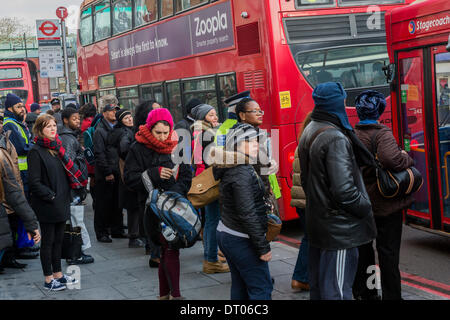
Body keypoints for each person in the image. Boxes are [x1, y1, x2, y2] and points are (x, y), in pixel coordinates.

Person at [298, 82, 376, 300]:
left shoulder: (311, 129)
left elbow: (306, 181)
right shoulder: (335, 137)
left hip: (321, 223)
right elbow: (344, 191)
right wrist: (365, 207)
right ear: (337, 102)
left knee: (321, 288)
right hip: (341, 230)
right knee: (338, 291)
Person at [353, 90, 415, 300]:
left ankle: (367, 293)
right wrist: (406, 157)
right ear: (379, 110)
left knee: (365, 252)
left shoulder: (353, 133)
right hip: (384, 204)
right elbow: (392, 160)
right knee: (388, 253)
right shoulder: (381, 133)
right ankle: (392, 296)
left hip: (362, 203)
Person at [124, 108, 192, 300]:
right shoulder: (137, 148)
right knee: (168, 250)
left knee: (168, 250)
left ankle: (165, 295)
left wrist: (176, 192)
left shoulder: (178, 145)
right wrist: (154, 173)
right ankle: (176, 296)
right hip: (150, 208)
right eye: (158, 133)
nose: (162, 137)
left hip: (174, 207)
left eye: (166, 132)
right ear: (149, 129)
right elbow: (129, 178)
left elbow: (187, 176)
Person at [211, 123, 273, 300]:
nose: (255, 144)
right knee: (261, 288)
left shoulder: (235, 166)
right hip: (240, 237)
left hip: (229, 232)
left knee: (240, 286)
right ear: (236, 145)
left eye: (256, 140)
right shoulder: (241, 171)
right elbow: (247, 213)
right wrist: (262, 247)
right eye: (249, 141)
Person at [28, 114, 87, 291]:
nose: (53, 129)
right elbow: (34, 182)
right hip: (47, 204)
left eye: (54, 125)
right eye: (48, 126)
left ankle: (58, 275)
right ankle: (48, 279)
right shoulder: (35, 151)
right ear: (40, 130)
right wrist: (50, 195)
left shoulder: (57, 148)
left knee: (59, 241)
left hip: (62, 202)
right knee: (48, 242)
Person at [191, 103, 229, 274]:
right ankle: (212, 259)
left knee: (210, 221)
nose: (215, 117)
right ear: (203, 117)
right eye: (211, 115)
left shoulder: (200, 131)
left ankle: (210, 257)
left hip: (205, 181)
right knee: (214, 220)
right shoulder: (208, 134)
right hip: (212, 181)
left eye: (215, 114)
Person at [0, 132, 41, 274]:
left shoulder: (6, 142)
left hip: (9, 196)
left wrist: (31, 223)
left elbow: (12, 186)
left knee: (10, 230)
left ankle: (8, 259)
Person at [58, 108, 94, 265]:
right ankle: (75, 254)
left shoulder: (70, 137)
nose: (78, 121)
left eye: (78, 119)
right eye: (74, 119)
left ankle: (76, 252)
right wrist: (78, 187)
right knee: (75, 221)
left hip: (73, 188)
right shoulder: (68, 139)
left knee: (75, 221)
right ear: (65, 120)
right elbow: (69, 165)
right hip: (73, 189)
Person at [106, 109, 143, 248]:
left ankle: (135, 235)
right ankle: (134, 236)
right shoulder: (125, 133)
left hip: (123, 171)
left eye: (130, 117)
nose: (130, 119)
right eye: (126, 118)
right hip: (128, 170)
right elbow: (124, 149)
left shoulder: (123, 131)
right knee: (134, 205)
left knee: (132, 205)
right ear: (121, 120)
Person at [93, 103, 125, 242]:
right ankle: (102, 232)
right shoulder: (100, 130)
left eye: (116, 110)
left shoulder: (118, 128)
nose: (114, 113)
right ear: (104, 113)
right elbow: (99, 153)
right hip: (106, 173)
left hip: (118, 171)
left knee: (117, 203)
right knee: (103, 205)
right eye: (111, 111)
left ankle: (117, 230)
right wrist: (107, 172)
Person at [290, 112, 312, 292]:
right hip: (307, 201)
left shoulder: (302, 143)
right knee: (310, 239)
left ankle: (302, 277)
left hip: (300, 200)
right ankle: (301, 277)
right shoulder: (310, 145)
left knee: (309, 238)